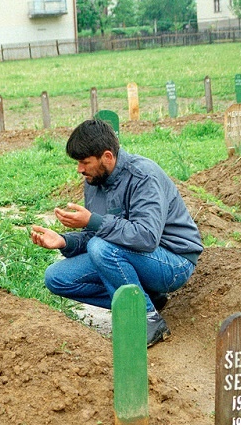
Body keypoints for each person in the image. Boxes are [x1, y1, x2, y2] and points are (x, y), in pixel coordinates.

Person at [30, 119, 203, 348]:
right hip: (131, 256)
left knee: (101, 248)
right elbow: (97, 234)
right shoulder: (94, 181)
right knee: (57, 277)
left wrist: (93, 221)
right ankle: (146, 299)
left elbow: (147, 237)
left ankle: (148, 321)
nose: (80, 170)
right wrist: (64, 241)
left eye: (84, 162)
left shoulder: (143, 177)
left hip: (173, 262)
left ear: (107, 157)